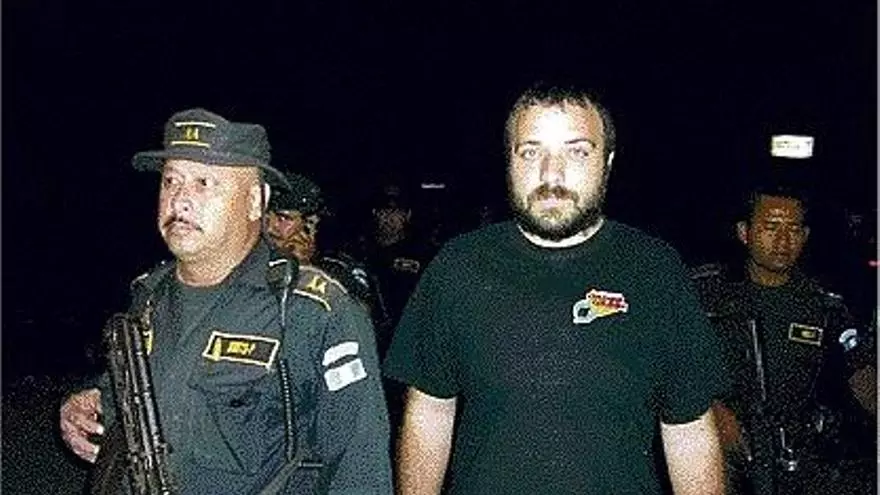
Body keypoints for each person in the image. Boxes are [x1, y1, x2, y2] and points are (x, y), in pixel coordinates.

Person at [383, 83, 727, 494]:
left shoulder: (656, 270)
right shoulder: (459, 266)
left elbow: (689, 429)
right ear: (509, 162)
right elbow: (428, 412)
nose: (551, 174)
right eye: (531, 152)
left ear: (607, 163)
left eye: (577, 152)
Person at [59, 108, 393, 494]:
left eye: (204, 182)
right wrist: (89, 400)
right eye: (171, 181)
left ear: (255, 201)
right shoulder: (148, 297)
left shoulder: (311, 311)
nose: (180, 200)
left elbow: (360, 469)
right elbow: (148, 389)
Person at [691, 184, 876, 495]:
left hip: (795, 461)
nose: (783, 240)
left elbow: (861, 374)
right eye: (771, 227)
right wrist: (711, 412)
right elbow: (667, 363)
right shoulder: (706, 293)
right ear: (745, 232)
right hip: (716, 452)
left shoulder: (823, 306)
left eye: (793, 229)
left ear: (805, 236)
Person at [265, 171, 387, 323]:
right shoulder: (251, 258)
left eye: (283, 218)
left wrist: (305, 271)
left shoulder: (338, 269)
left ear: (310, 225)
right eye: (266, 215)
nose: (270, 227)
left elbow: (360, 320)